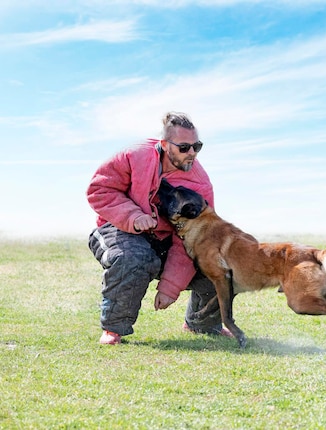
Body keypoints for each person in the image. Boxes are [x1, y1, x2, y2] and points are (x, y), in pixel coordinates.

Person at [87, 112, 231, 345]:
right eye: (184, 147)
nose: (192, 153)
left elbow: (194, 238)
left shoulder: (201, 184)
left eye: (197, 146)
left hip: (163, 242)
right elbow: (99, 190)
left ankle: (202, 324)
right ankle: (113, 329)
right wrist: (133, 216)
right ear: (164, 145)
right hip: (116, 229)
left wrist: (170, 287)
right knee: (133, 257)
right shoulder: (134, 155)